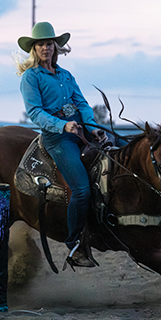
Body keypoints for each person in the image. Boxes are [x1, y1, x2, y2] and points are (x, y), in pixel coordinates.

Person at [16, 22, 109, 268]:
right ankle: (75, 244)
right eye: (40, 45)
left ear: (55, 47)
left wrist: (93, 127)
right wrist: (62, 126)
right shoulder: (31, 77)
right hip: (57, 137)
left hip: (80, 130)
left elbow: (83, 104)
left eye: (49, 44)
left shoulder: (66, 75)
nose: (45, 48)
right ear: (34, 49)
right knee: (80, 188)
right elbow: (35, 112)